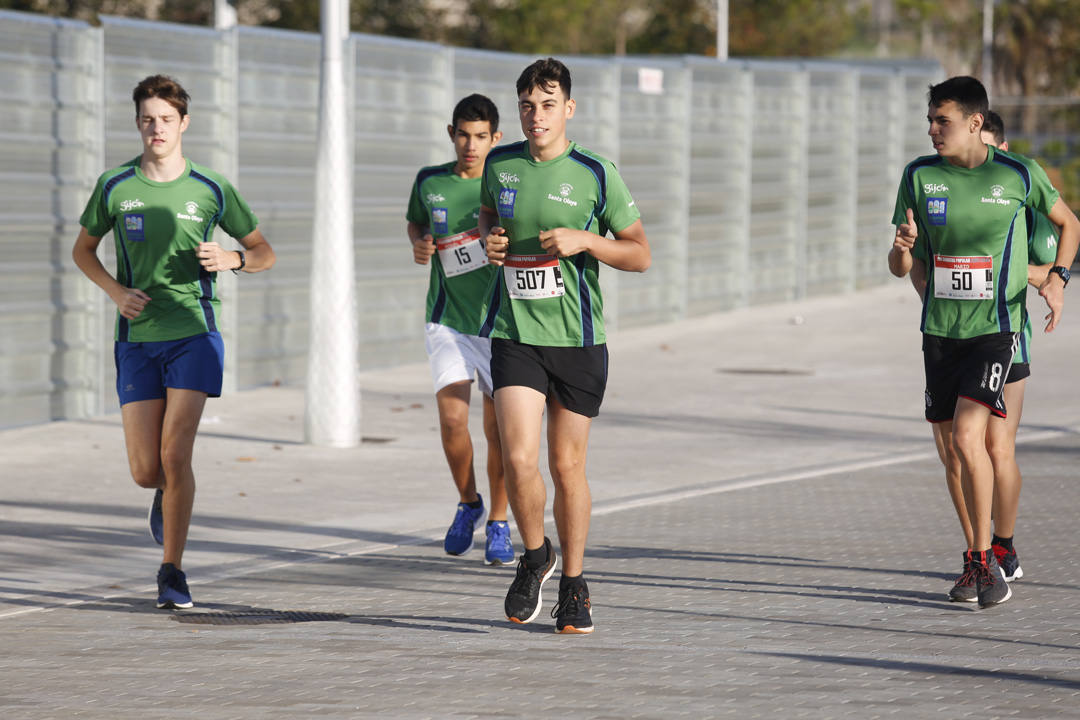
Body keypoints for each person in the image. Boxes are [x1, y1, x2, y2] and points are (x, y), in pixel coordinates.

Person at [72, 75, 275, 609]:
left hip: (195, 334)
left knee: (174, 451)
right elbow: (83, 251)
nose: (156, 128)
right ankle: (164, 493)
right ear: (137, 123)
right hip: (137, 338)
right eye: (147, 119)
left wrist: (233, 259)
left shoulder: (210, 188)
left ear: (184, 123)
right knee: (146, 470)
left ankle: (172, 571)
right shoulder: (115, 185)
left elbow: (263, 250)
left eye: (166, 119)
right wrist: (116, 292)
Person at [888, 77, 1079, 608]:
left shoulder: (1018, 173)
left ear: (975, 123)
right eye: (929, 119)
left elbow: (1069, 223)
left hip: (996, 333)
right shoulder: (919, 177)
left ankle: (990, 555)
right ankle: (978, 559)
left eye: (941, 121)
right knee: (952, 452)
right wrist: (902, 251)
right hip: (939, 334)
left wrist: (1057, 276)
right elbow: (903, 265)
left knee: (980, 442)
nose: (931, 130)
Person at [480, 58, 651, 633]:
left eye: (548, 104)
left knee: (565, 464)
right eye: (527, 105)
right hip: (515, 333)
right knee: (518, 458)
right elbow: (487, 216)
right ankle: (535, 558)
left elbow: (639, 253)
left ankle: (574, 583)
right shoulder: (500, 164)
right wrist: (490, 241)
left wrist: (587, 240)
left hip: (577, 339)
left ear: (568, 109)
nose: (536, 115)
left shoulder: (595, 171)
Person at [405, 94, 514, 565]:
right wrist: (421, 242)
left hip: (498, 322)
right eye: (463, 135)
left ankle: (499, 522)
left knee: (500, 430)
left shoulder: (508, 181)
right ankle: (469, 502)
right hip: (445, 317)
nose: (471, 145)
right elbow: (415, 223)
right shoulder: (430, 181)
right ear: (452, 134)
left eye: (481, 136)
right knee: (452, 419)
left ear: (496, 138)